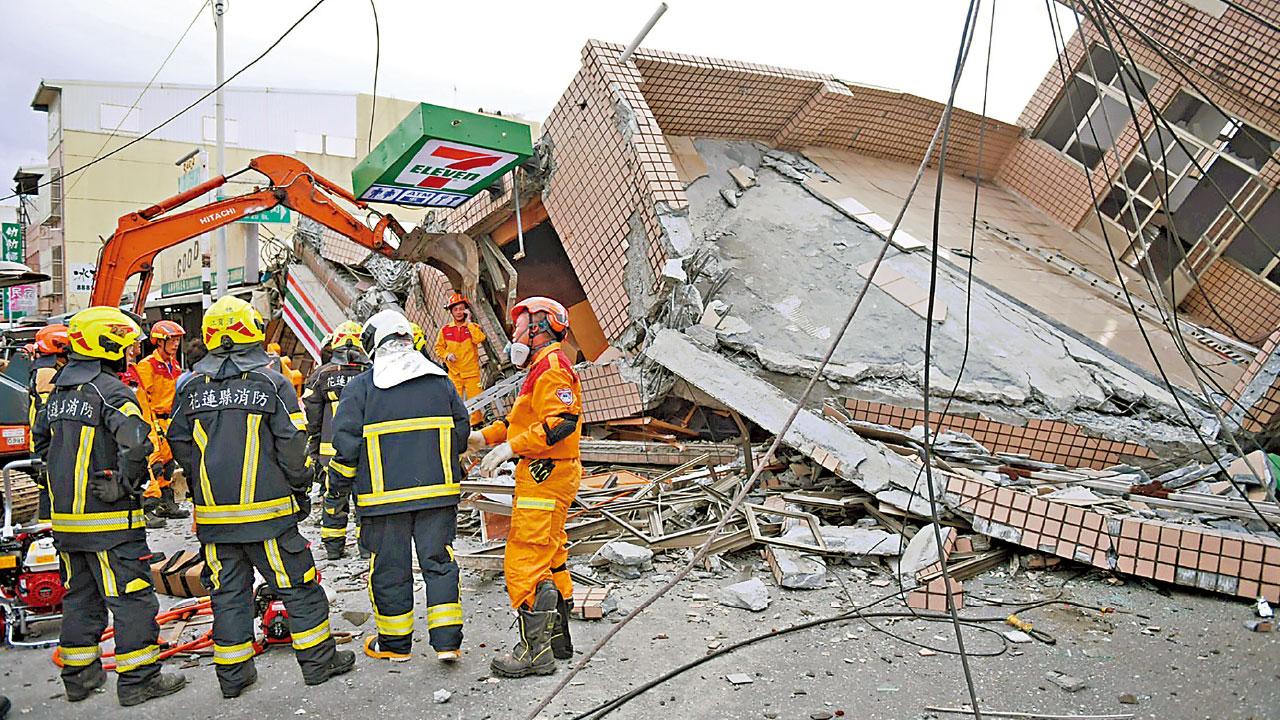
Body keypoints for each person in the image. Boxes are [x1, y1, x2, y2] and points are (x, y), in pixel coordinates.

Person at [168, 296, 354, 698]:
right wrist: (300, 486)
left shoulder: (188, 387)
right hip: (269, 517)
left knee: (228, 595)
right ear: (251, 332)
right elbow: (293, 444)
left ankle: (233, 678)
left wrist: (204, 486)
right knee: (298, 587)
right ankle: (320, 665)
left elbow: (179, 444)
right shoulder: (272, 382)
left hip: (216, 521)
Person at [33, 306, 187, 706]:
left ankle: (80, 678)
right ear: (110, 345)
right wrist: (124, 483)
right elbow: (138, 445)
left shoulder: (59, 394)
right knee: (131, 597)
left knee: (80, 597)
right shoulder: (113, 391)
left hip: (67, 524)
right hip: (111, 525)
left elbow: (42, 448)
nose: (132, 353)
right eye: (128, 345)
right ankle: (138, 681)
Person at [328, 309, 468, 663]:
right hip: (438, 494)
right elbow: (461, 434)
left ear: (373, 344)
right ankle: (447, 643)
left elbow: (345, 447)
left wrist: (336, 497)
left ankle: (395, 645)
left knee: (390, 568)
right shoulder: (440, 381)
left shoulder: (361, 387)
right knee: (439, 562)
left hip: (382, 500)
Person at [471, 296, 582, 677]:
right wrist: (482, 439)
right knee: (552, 555)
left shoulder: (550, 366)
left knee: (525, 560)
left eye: (518, 327)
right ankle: (557, 640)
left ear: (538, 328)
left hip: (544, 475)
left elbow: (562, 422)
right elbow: (520, 423)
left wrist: (510, 448)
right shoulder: (539, 369)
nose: (513, 334)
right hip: (551, 473)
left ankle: (534, 654)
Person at [303, 320, 369, 560]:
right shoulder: (371, 373)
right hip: (365, 450)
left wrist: (314, 444)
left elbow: (312, 415)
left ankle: (333, 547)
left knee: (334, 497)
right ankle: (366, 547)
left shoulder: (322, 375)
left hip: (332, 451)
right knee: (365, 497)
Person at [135, 320, 189, 526]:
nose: (176, 344)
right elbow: (143, 398)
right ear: (159, 342)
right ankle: (148, 509)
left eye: (177, 340)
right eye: (171, 340)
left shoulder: (174, 365)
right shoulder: (147, 365)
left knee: (168, 466)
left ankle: (166, 504)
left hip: (170, 421)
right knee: (154, 465)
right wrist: (148, 427)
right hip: (154, 421)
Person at [28, 324, 69, 524]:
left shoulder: (46, 368)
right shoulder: (46, 372)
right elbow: (48, 411)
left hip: (44, 441)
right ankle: (47, 530)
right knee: (48, 486)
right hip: (46, 443)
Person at [433, 293, 486, 427]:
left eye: (462, 309)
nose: (459, 312)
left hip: (472, 373)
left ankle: (477, 425)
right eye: (455, 309)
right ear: (451, 311)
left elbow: (479, 339)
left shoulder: (473, 327)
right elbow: (438, 348)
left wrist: (468, 323)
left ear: (466, 310)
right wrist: (447, 355)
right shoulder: (445, 330)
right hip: (454, 374)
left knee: (476, 402)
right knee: (453, 403)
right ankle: (458, 427)